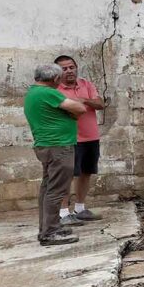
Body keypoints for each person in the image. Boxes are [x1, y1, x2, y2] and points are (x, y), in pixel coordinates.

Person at [23, 63, 87, 245]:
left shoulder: (33, 93)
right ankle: (50, 232)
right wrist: (74, 110)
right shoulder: (48, 93)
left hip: (46, 145)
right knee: (56, 190)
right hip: (58, 146)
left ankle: (47, 227)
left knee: (47, 188)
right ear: (55, 78)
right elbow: (80, 109)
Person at [54, 55, 107, 224]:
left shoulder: (86, 84)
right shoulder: (55, 90)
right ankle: (63, 213)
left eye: (71, 67)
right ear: (57, 72)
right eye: (64, 68)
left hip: (91, 137)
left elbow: (100, 104)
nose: (69, 71)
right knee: (67, 176)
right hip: (69, 139)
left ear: (76, 68)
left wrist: (84, 99)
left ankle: (80, 208)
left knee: (86, 173)